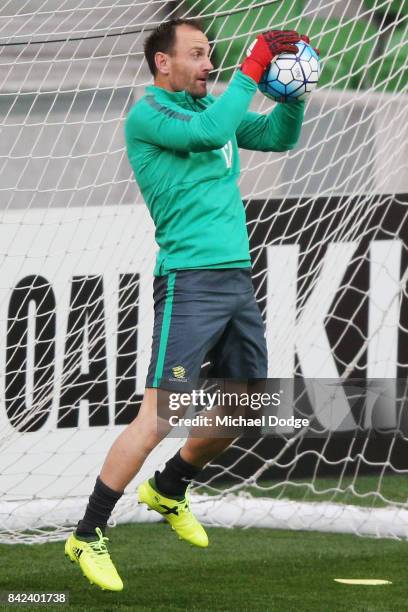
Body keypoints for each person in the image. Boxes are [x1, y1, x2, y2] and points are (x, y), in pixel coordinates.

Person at [64, 17, 311, 591]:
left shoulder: (209, 113)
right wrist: (255, 70)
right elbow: (209, 135)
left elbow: (277, 137)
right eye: (197, 55)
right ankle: (88, 531)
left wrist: (293, 95)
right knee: (159, 415)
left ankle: (171, 485)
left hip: (235, 280)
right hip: (189, 282)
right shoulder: (151, 115)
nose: (209, 64)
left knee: (246, 408)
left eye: (213, 54)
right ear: (163, 63)